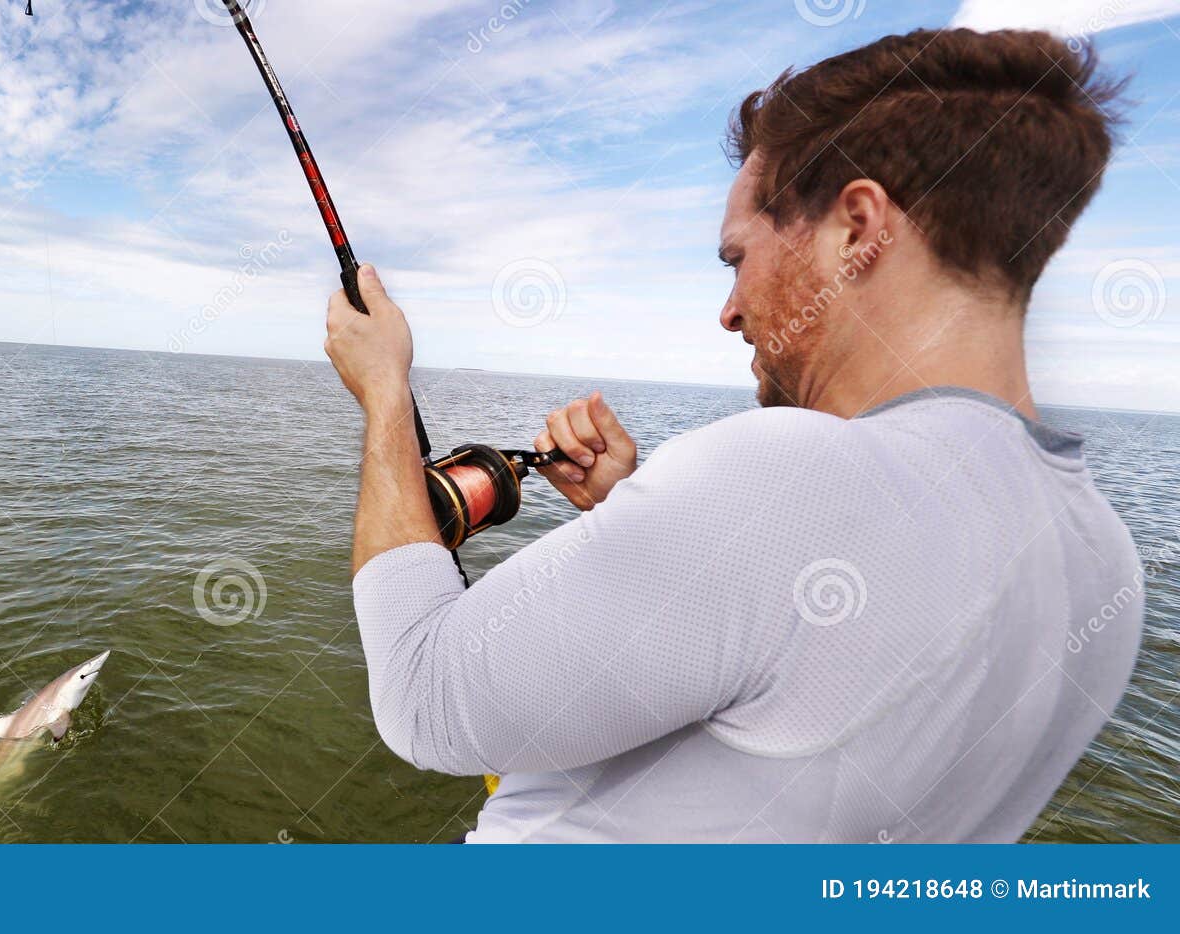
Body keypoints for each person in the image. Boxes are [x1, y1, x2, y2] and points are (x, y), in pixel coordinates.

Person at [322, 28, 1145, 843]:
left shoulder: (788, 479)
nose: (729, 310)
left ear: (858, 230)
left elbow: (424, 699)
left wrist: (385, 389)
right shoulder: (1103, 562)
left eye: (736, 258)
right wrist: (631, 517)